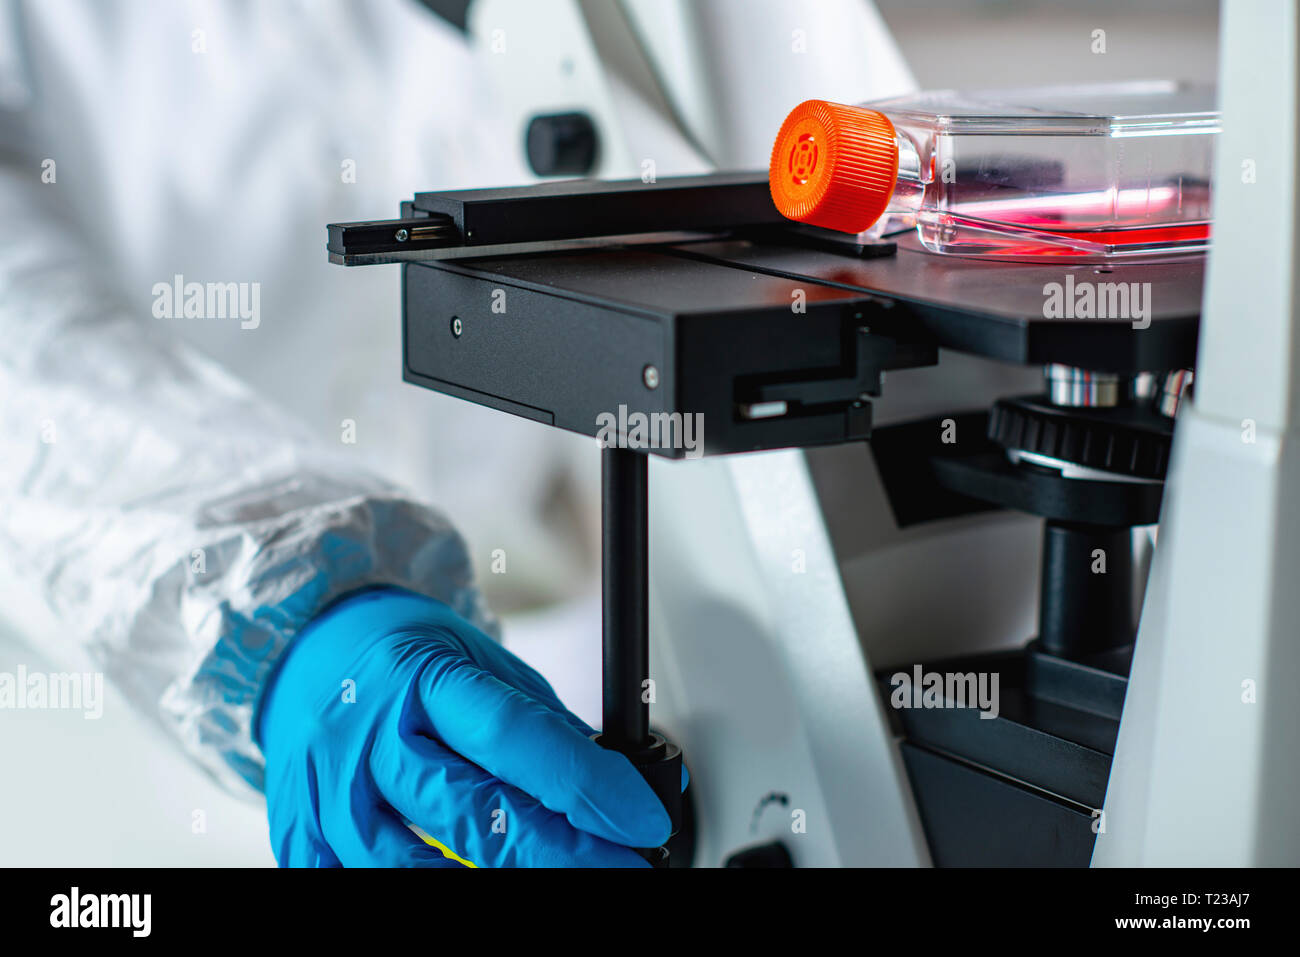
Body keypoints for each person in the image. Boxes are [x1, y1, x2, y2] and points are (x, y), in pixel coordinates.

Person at [0, 0, 913, 866]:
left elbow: (871, 198)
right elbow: (28, 353)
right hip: (177, 722)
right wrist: (277, 605)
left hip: (574, 652)